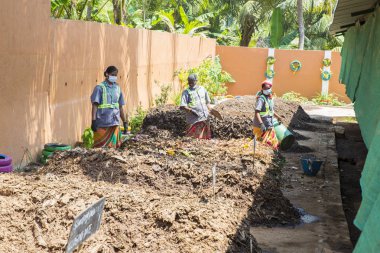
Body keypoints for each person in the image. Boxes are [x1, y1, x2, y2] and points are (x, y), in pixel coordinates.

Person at [90, 66, 128, 148]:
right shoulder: (99, 88)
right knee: (99, 149)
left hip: (114, 124)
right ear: (107, 74)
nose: (114, 77)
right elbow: (95, 105)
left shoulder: (117, 88)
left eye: (115, 75)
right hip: (102, 124)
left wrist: (125, 122)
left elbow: (120, 107)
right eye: (112, 75)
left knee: (113, 150)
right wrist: (93, 121)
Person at [180, 74, 213, 139]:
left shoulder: (202, 89)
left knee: (205, 138)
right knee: (192, 138)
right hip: (193, 119)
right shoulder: (186, 92)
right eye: (189, 82)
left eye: (192, 82)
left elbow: (207, 102)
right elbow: (183, 106)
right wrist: (191, 111)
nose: (190, 83)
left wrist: (211, 110)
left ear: (196, 81)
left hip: (204, 117)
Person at [253, 80, 281, 149]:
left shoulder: (269, 99)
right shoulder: (261, 99)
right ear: (262, 89)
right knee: (261, 145)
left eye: (268, 88)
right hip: (260, 126)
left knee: (271, 143)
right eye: (265, 88)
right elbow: (257, 112)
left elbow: (270, 111)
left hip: (268, 124)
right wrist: (261, 124)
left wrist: (278, 117)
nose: (267, 90)